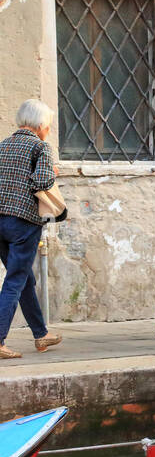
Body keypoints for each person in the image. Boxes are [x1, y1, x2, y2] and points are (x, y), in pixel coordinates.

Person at [0, 100, 62, 359]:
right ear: (40, 126)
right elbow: (42, 181)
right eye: (47, 126)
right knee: (15, 280)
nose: (47, 130)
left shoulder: (2, 146)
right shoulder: (40, 146)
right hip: (23, 221)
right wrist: (54, 172)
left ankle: (40, 333)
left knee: (25, 278)